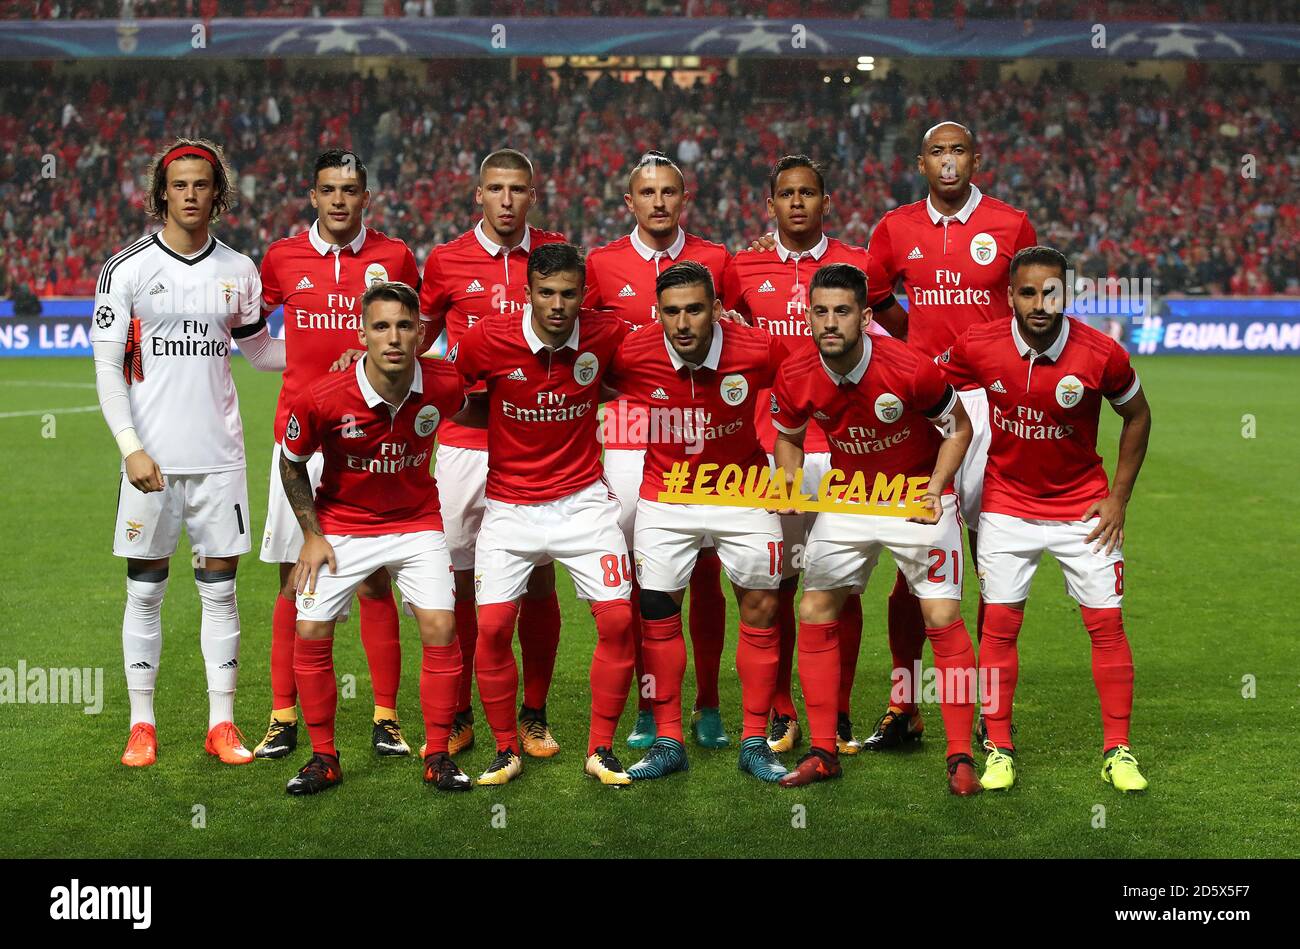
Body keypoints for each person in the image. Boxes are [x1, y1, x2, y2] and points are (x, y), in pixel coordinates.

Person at [91, 137, 285, 768]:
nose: (192, 195)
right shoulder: (126, 269)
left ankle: (221, 725)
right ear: (161, 194)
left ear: (218, 194)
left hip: (220, 459)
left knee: (220, 591)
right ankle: (141, 725)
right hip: (151, 463)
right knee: (145, 590)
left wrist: (337, 348)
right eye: (180, 185)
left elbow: (259, 354)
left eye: (203, 185)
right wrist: (129, 448)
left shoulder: (239, 270)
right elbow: (105, 366)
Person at [936, 246, 1152, 792]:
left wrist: (1119, 498)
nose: (1038, 303)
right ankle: (1001, 748)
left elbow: (1138, 414)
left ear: (1066, 294)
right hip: (1007, 506)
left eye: (1049, 292)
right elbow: (929, 389)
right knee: (1000, 628)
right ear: (1010, 294)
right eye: (1027, 292)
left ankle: (1117, 750)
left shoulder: (1101, 354)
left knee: (1106, 627)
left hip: (1084, 507)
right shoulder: (979, 345)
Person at [861, 121, 1039, 751]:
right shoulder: (894, 227)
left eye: (958, 150)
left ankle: (994, 719)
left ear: (975, 157)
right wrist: (916, 347)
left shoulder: (1011, 225)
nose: (947, 160)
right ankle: (904, 707)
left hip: (992, 407)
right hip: (925, 407)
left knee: (995, 561)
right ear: (921, 161)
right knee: (913, 564)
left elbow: (1031, 304)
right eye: (936, 151)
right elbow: (877, 298)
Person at [770, 262, 981, 794]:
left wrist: (936, 486)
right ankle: (823, 751)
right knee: (815, 608)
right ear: (809, 315)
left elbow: (960, 428)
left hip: (916, 496)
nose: (830, 322)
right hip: (850, 496)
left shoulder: (911, 368)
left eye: (842, 311)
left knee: (941, 615)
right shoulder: (797, 373)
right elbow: (789, 437)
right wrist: (790, 483)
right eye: (820, 311)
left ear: (865, 316)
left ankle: (959, 758)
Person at [722, 154, 899, 755]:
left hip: (848, 451)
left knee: (841, 587)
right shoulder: (740, 266)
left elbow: (893, 342)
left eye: (808, 193)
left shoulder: (860, 265)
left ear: (827, 202)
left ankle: (839, 711)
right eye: (786, 194)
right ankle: (781, 709)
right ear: (769, 205)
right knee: (779, 579)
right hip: (780, 447)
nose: (797, 202)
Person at [253, 149, 422, 761]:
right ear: (313, 195)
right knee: (292, 579)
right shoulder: (280, 258)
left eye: (351, 189)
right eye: (329, 189)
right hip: (300, 438)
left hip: (371, 437)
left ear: (366, 195)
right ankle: (282, 715)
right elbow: (252, 337)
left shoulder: (395, 255)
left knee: (376, 578)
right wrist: (298, 369)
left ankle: (385, 717)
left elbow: (410, 331)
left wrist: (371, 362)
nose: (340, 200)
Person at [449, 243, 636, 787]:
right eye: (547, 293)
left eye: (569, 294)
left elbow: (642, 365)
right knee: (491, 628)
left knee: (619, 621)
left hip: (583, 502)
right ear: (527, 292)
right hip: (510, 506)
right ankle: (506, 748)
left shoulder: (605, 334)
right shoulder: (487, 338)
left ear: (584, 294)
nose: (558, 305)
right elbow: (451, 388)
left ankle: (600, 749)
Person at [279, 281, 472, 794]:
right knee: (313, 630)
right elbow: (291, 463)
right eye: (381, 326)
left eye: (404, 326)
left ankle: (437, 755)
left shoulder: (443, 383)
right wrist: (311, 534)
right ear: (362, 334)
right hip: (342, 525)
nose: (393, 337)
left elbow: (478, 401)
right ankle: (324, 758)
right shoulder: (321, 397)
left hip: (415, 523)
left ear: (421, 333)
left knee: (439, 625)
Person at [604, 261, 789, 783]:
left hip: (744, 492)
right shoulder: (633, 352)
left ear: (717, 309)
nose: (683, 323)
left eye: (694, 309)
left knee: (761, 605)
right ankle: (668, 741)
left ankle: (755, 741)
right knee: (658, 612)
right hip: (666, 497)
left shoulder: (755, 349)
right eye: (671, 312)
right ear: (656, 313)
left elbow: (807, 379)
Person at [417, 148, 568, 758]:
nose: (507, 200)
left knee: (536, 577)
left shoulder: (555, 255)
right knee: (456, 578)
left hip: (538, 442)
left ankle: (532, 713)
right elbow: (416, 338)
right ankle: (457, 712)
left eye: (519, 190)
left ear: (533, 196)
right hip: (463, 444)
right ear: (477, 194)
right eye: (496, 189)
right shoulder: (447, 260)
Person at [584, 150, 732, 751]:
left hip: (704, 433)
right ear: (630, 202)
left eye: (669, 192)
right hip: (627, 434)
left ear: (684, 197)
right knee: (649, 580)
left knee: (708, 573)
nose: (659, 203)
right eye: (647, 194)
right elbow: (589, 346)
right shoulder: (602, 262)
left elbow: (739, 333)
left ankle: (710, 702)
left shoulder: (718, 259)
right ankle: (652, 703)